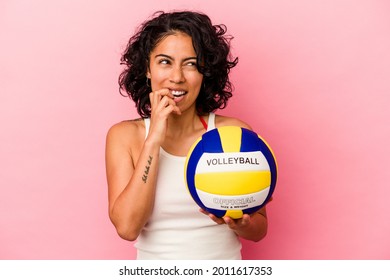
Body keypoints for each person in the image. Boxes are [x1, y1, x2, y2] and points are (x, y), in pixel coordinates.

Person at [105, 10, 268, 260]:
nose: (177, 77)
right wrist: (154, 139)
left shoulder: (233, 134)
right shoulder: (125, 136)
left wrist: (240, 224)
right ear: (147, 69)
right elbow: (127, 228)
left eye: (191, 64)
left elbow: (260, 230)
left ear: (205, 72)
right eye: (164, 62)